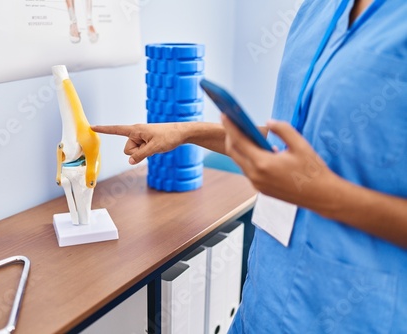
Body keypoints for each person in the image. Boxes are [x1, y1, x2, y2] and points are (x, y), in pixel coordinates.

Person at [92, 0, 407, 332]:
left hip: (356, 313)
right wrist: (186, 131)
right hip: (263, 302)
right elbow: (299, 135)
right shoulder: (318, 8)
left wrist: (317, 192)